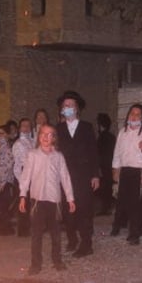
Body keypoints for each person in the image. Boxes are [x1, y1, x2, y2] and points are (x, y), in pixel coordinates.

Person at [18, 123, 76, 274]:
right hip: (37, 200)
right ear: (38, 136)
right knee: (36, 234)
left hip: (54, 200)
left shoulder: (58, 156)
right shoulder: (32, 155)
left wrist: (70, 198)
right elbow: (26, 177)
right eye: (43, 134)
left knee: (55, 234)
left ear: (54, 138)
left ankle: (57, 260)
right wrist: (23, 196)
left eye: (49, 134)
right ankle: (35, 264)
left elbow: (65, 177)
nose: (45, 137)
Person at [55, 90, 100, 257]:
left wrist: (95, 174)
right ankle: (72, 239)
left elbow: (93, 152)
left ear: (77, 109)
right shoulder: (58, 129)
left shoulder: (86, 127)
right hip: (64, 176)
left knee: (84, 209)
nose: (68, 108)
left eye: (71, 105)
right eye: (65, 105)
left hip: (83, 175)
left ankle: (86, 244)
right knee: (67, 210)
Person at [111, 103, 142, 244]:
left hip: (139, 171)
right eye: (132, 113)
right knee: (122, 200)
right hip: (125, 170)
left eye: (138, 114)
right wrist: (115, 169)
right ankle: (118, 226)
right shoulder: (122, 133)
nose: (134, 116)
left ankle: (134, 233)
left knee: (136, 203)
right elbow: (117, 153)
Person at [0, 121, 18, 235]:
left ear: (7, 135)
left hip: (5, 182)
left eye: (2, 133)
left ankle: (6, 228)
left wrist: (3, 182)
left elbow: (9, 165)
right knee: (0, 205)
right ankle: (2, 227)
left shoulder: (7, 148)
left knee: (4, 205)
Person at [12, 117, 36, 237]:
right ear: (19, 128)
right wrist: (22, 181)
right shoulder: (18, 143)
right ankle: (23, 230)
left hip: (33, 174)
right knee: (23, 203)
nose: (26, 128)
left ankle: (30, 227)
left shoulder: (32, 142)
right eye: (23, 126)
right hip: (23, 174)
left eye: (28, 126)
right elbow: (17, 164)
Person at [96, 112, 117, 215]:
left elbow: (98, 153)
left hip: (103, 167)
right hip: (111, 165)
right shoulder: (112, 137)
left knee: (104, 188)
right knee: (108, 188)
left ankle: (105, 208)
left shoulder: (101, 138)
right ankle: (108, 206)